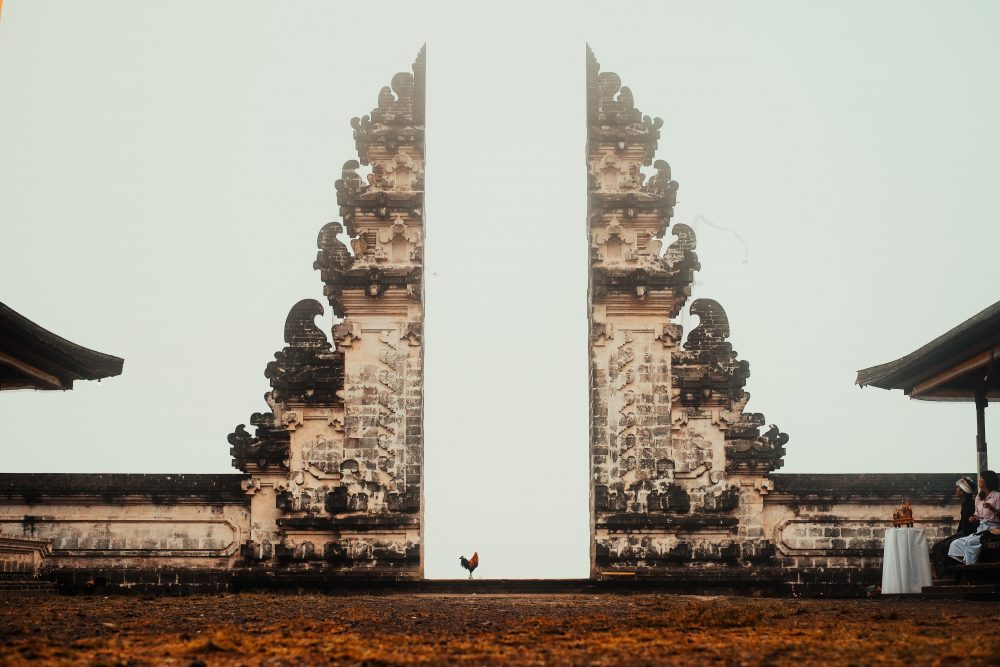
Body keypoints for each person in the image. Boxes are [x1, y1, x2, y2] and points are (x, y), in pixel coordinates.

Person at [947, 470, 1000, 566]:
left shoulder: (997, 496)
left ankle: (971, 568)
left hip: (994, 530)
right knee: (955, 544)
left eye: (981, 479)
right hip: (981, 530)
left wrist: (992, 508)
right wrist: (974, 518)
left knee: (971, 543)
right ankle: (970, 564)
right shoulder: (978, 498)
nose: (979, 480)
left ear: (987, 481)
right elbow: (978, 515)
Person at [931, 475, 979, 575]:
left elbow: (970, 526)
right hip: (963, 533)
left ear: (962, 492)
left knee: (940, 547)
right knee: (936, 547)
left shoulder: (970, 504)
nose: (956, 490)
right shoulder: (966, 503)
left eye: (958, 488)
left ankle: (943, 574)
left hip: (968, 534)